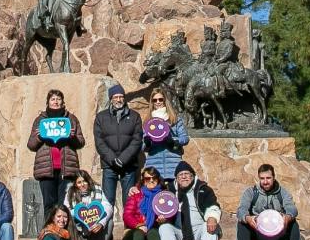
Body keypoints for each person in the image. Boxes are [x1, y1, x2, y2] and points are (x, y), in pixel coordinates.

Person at [236, 162, 304, 240]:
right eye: (262, 178)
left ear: (274, 177)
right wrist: (248, 218)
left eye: (268, 178)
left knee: (294, 223)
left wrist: (287, 217)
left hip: (278, 235)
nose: (265, 181)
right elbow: (241, 210)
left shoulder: (283, 192)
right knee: (241, 224)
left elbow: (292, 208)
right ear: (259, 178)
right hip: (258, 235)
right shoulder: (251, 192)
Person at [26, 88, 85, 228]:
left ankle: (66, 236)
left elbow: (81, 142)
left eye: (58, 99)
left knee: (65, 204)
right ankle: (50, 234)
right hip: (46, 170)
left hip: (67, 170)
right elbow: (31, 145)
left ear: (63, 102)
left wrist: (72, 138)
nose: (56, 101)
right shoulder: (40, 120)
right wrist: (39, 137)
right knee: (49, 205)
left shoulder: (71, 119)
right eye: (53, 99)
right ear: (48, 102)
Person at [92, 84, 142, 228]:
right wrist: (112, 159)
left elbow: (137, 139)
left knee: (130, 200)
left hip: (129, 164)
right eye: (116, 97)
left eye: (121, 96)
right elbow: (99, 141)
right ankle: (106, 230)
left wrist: (123, 158)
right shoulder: (101, 117)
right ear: (111, 99)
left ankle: (129, 230)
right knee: (107, 201)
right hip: (109, 165)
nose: (119, 99)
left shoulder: (134, 116)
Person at [121, 165, 181, 240]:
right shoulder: (136, 194)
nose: (151, 180)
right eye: (148, 178)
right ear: (143, 180)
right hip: (135, 233)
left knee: (153, 232)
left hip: (155, 235)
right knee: (139, 233)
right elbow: (127, 215)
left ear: (158, 179)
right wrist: (138, 225)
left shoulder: (164, 195)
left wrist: (164, 220)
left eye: (154, 178)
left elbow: (171, 213)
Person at [169, 162, 223, 240]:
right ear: (176, 179)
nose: (183, 177)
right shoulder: (170, 190)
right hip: (180, 233)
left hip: (199, 233)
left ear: (193, 176)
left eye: (186, 174)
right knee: (164, 228)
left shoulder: (203, 189)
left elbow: (212, 206)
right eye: (180, 175)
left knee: (211, 225)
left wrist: (212, 217)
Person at [139, 90, 190, 182]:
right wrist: (146, 142)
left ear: (165, 100)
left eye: (160, 99)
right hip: (154, 166)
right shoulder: (148, 122)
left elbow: (185, 138)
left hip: (173, 164)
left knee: (173, 195)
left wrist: (173, 140)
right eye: (155, 100)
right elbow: (141, 146)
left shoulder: (174, 119)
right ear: (152, 102)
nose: (158, 102)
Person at [66, 170, 115, 240]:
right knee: (68, 221)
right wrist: (79, 212)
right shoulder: (70, 193)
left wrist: (101, 223)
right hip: (80, 234)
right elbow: (65, 211)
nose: (82, 184)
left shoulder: (97, 190)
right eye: (79, 182)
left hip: (96, 232)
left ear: (88, 181)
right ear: (75, 184)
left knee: (109, 221)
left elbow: (108, 207)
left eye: (84, 181)